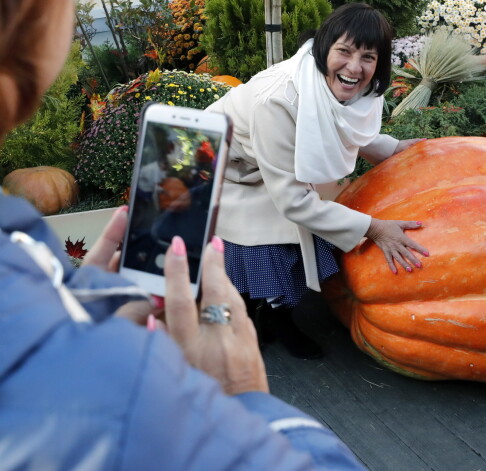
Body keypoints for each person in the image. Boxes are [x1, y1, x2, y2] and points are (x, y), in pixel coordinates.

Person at [0, 1, 368, 468]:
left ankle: (270, 316)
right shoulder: (280, 95)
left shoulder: (24, 270)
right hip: (232, 181)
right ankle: (263, 317)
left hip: (255, 184)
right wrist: (242, 396)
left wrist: (74, 311)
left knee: (249, 254)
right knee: (254, 253)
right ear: (33, 31)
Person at [207, 3, 430, 359]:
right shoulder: (277, 101)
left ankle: (279, 316)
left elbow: (342, 124)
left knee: (308, 230)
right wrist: (373, 228)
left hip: (272, 167)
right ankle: (249, 317)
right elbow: (293, 202)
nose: (354, 67)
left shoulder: (345, 86)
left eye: (368, 57)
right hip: (226, 173)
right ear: (324, 48)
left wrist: (395, 148)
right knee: (274, 244)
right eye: (344, 51)